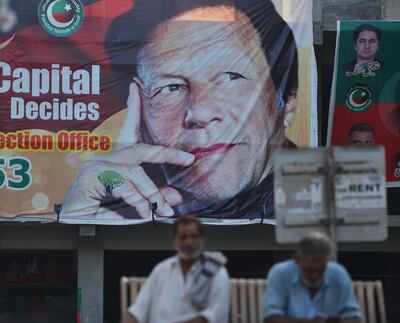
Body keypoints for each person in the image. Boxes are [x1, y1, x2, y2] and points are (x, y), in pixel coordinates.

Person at [60, 0, 299, 221]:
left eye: (230, 76)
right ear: (139, 112)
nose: (200, 112)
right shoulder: (124, 203)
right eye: (170, 88)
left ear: (286, 100)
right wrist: (81, 216)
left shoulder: (321, 205)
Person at [122, 214, 230, 323]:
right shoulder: (161, 270)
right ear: (174, 240)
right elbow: (138, 310)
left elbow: (213, 316)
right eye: (183, 237)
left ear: (202, 239)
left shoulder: (217, 273)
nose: (189, 242)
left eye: (194, 236)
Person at [263, 232, 361, 323]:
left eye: (321, 270)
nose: (315, 275)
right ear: (297, 260)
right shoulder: (280, 273)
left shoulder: (338, 274)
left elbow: (354, 317)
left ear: (327, 262)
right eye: (309, 270)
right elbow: (270, 318)